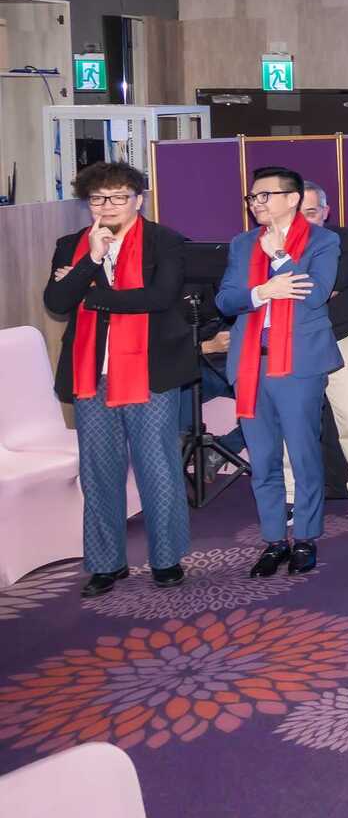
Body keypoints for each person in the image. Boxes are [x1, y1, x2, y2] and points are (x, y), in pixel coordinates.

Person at [43, 162, 195, 598]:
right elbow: (57, 301)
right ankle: (106, 564)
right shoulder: (72, 245)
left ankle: (166, 559)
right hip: (91, 373)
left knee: (158, 467)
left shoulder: (165, 241)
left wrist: (92, 295)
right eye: (97, 199)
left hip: (150, 371)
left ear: (138, 200)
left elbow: (159, 297)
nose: (107, 206)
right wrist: (90, 260)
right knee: (98, 471)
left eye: (118, 197)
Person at [216, 165, 342, 576]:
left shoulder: (323, 241)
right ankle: (273, 540)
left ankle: (304, 537)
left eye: (264, 195)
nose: (256, 203)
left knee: (303, 454)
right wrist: (261, 292)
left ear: (292, 199)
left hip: (299, 364)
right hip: (251, 361)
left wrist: (281, 258)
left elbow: (315, 294)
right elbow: (226, 299)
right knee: (263, 458)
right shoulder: (242, 243)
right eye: (252, 197)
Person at [288, 184, 348, 519]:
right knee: (293, 423)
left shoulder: (343, 238)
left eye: (312, 212)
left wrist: (293, 287)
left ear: (326, 212)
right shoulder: (273, 242)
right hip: (295, 343)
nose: (305, 221)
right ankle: (292, 495)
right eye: (298, 213)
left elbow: (335, 283)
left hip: (342, 338)